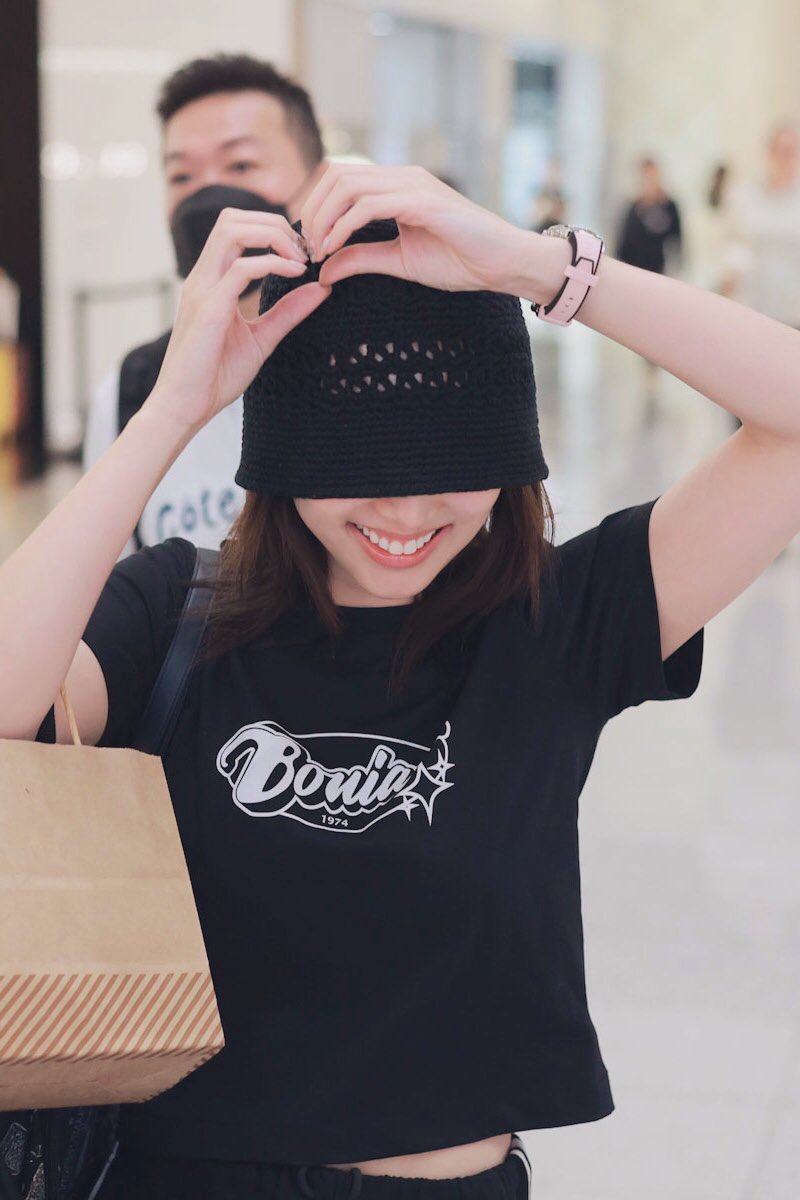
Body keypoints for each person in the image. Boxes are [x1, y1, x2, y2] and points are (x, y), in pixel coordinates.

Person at [2, 165, 799, 1198]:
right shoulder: (178, 613)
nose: (407, 514)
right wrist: (173, 410)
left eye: (451, 465)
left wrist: (535, 266)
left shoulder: (559, 619)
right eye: (359, 467)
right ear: (284, 457)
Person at [82, 53, 326, 555]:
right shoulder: (133, 390)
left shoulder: (382, 363)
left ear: (318, 184)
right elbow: (101, 577)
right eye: (181, 176)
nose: (210, 196)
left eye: (241, 165)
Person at [724, 123, 800, 328]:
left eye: (792, 152)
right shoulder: (745, 196)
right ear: (770, 154)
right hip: (753, 309)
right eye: (782, 152)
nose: (787, 159)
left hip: (794, 313)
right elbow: (734, 244)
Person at [617, 157, 683, 276]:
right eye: (646, 177)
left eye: (653, 176)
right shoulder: (633, 208)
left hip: (659, 272)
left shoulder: (669, 207)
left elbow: (676, 243)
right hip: (633, 272)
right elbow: (623, 247)